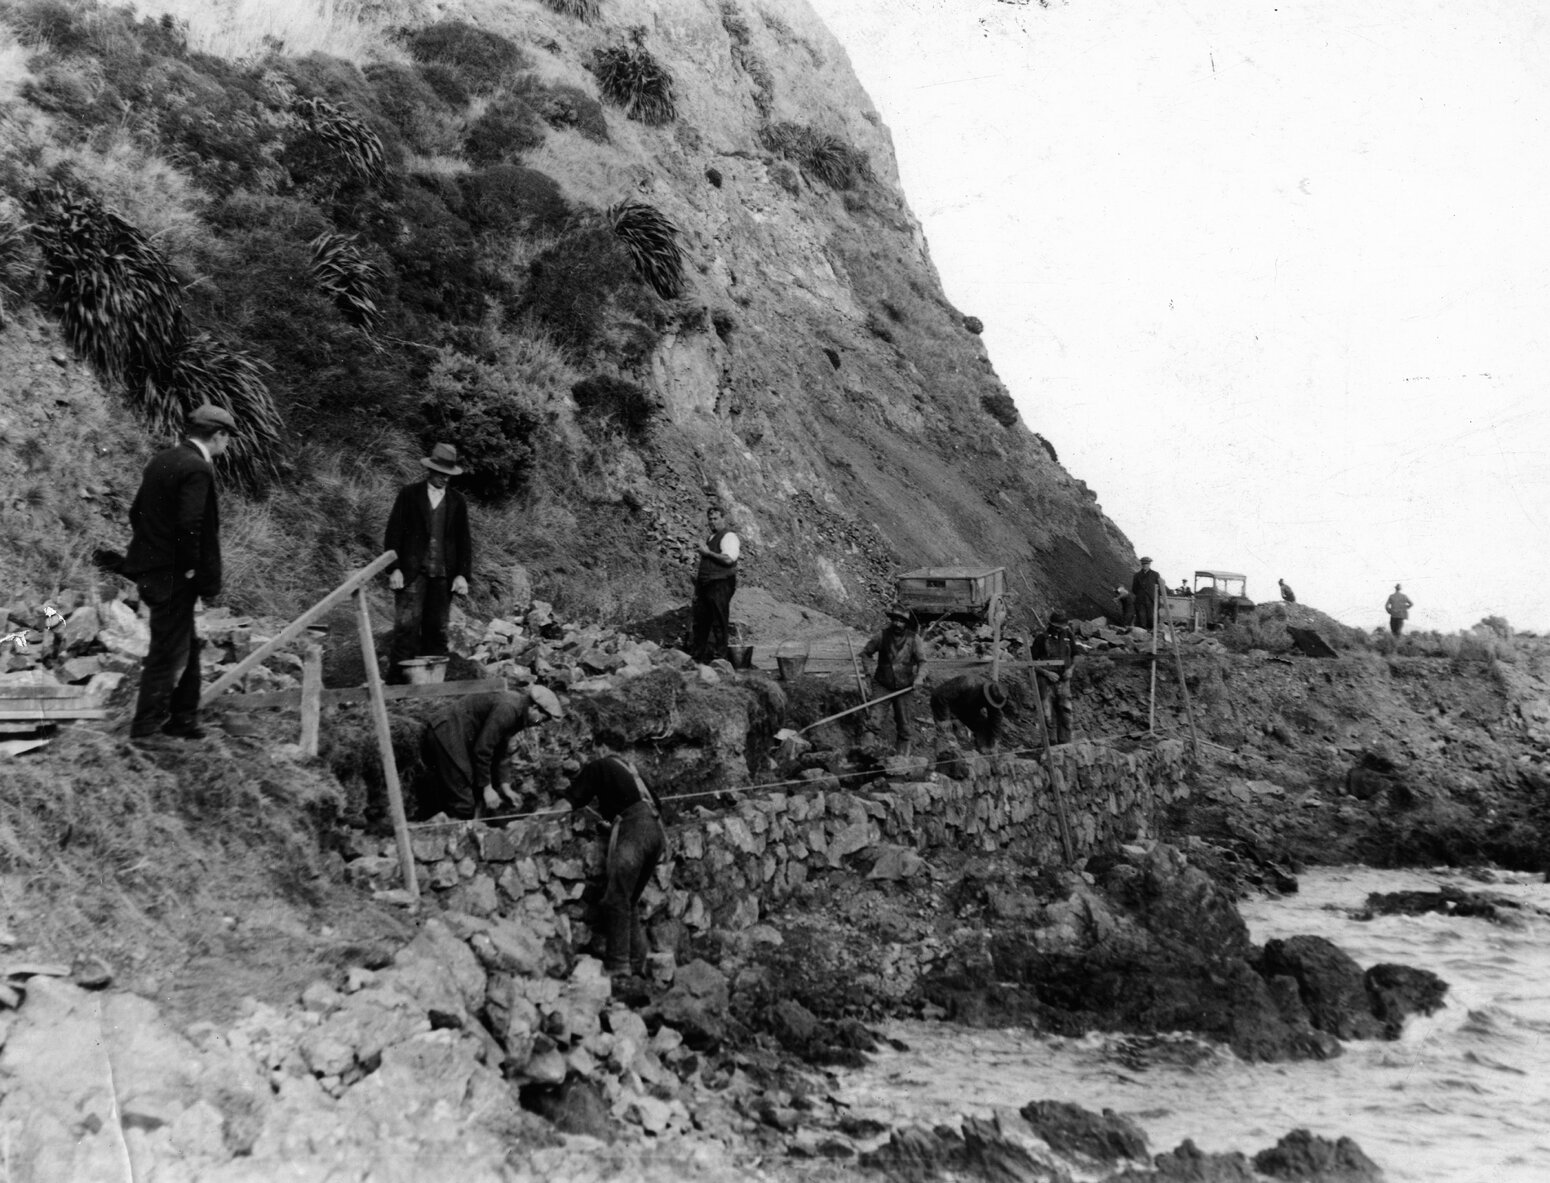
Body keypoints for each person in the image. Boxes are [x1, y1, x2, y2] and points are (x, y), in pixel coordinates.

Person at [122, 403, 235, 744]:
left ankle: (183, 717)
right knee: (167, 649)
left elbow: (136, 512)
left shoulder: (162, 460)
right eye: (227, 439)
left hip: (154, 569)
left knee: (185, 642)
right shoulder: (197, 468)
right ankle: (147, 728)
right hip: (174, 575)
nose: (226, 446)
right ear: (218, 436)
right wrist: (189, 568)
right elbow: (191, 525)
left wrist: (154, 549)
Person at [565, 753, 667, 981]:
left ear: (600, 747)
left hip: (635, 832)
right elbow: (653, 806)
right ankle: (638, 965)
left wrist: (540, 817)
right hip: (656, 831)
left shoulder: (600, 764)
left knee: (615, 899)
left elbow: (571, 800)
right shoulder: (632, 770)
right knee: (628, 901)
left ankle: (618, 967)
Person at [383, 443, 472, 683]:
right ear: (430, 470)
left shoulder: (457, 502)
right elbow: (393, 534)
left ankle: (430, 690)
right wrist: (394, 568)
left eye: (448, 474)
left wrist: (462, 574)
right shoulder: (409, 495)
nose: (444, 478)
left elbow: (464, 541)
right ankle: (396, 689)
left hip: (443, 577)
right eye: (440, 473)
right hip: (412, 573)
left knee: (437, 630)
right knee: (406, 630)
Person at [418, 687, 562, 819]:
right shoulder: (509, 708)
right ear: (534, 708)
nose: (540, 723)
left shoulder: (520, 713)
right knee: (464, 802)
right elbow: (483, 749)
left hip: (460, 736)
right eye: (542, 719)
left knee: (470, 795)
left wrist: (506, 786)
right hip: (447, 733)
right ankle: (453, 838)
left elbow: (502, 750)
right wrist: (487, 789)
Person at [860, 605, 928, 754]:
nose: (897, 624)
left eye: (901, 621)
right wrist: (869, 671)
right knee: (874, 720)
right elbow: (866, 653)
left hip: (905, 687)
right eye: (895, 620)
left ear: (906, 623)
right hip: (882, 684)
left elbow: (922, 662)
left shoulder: (914, 639)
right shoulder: (881, 636)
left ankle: (902, 759)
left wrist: (920, 678)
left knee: (905, 725)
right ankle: (865, 754)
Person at [690, 504, 740, 663]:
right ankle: (699, 657)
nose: (712, 522)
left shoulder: (729, 537)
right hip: (706, 585)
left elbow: (728, 559)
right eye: (710, 519)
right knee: (702, 621)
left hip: (721, 583)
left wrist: (708, 553)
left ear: (723, 519)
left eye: (716, 518)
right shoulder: (710, 538)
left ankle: (721, 658)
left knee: (719, 620)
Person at [1030, 609, 1078, 744]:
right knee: (1047, 714)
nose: (1060, 630)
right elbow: (1031, 663)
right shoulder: (1041, 638)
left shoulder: (1068, 636)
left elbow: (1076, 654)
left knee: (1066, 712)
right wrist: (1047, 673)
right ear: (1052, 625)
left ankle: (1065, 743)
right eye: (1058, 627)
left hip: (1064, 680)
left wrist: (1071, 670)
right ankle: (1049, 745)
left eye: (1062, 627)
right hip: (1045, 680)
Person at [929, 675, 1006, 752]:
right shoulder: (966, 683)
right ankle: (948, 752)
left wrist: (995, 741)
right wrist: (944, 719)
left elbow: (996, 718)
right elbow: (939, 696)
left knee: (985, 729)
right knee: (946, 732)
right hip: (945, 704)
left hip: (966, 708)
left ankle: (983, 750)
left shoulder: (994, 698)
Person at [1131, 557, 1165, 632]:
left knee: (1151, 617)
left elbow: (1160, 588)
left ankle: (1152, 632)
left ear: (1149, 564)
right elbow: (1134, 589)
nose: (1144, 565)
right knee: (1141, 616)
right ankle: (1142, 632)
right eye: (1143, 564)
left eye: (1146, 564)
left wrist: (1155, 597)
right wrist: (1140, 594)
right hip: (1141, 600)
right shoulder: (1137, 575)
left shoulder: (1155, 575)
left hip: (1151, 600)